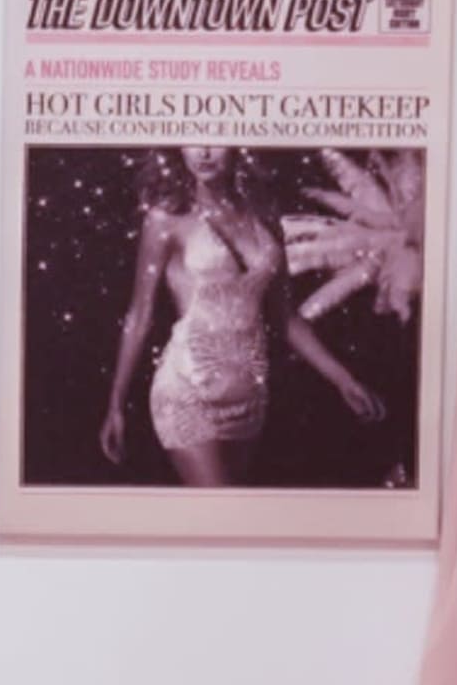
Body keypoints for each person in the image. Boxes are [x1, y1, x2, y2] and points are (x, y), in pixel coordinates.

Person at [98, 145, 382, 485]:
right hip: (187, 390)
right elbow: (139, 314)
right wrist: (116, 404)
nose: (204, 153)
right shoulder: (165, 220)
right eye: (193, 140)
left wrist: (343, 379)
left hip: (249, 395)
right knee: (218, 508)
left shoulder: (264, 215)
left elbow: (284, 318)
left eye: (216, 141)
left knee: (235, 509)